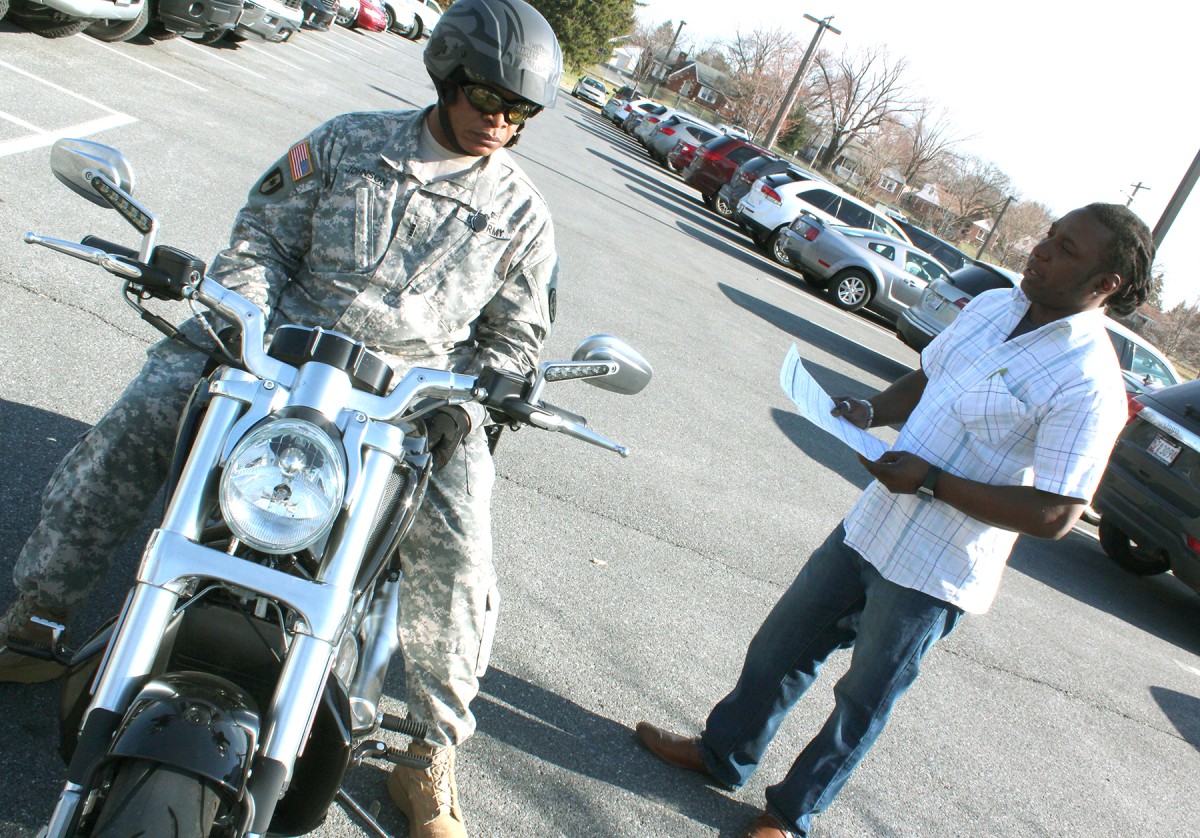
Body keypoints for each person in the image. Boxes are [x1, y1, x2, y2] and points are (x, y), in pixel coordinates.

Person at [0, 1, 562, 835]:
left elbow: (515, 337)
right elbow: (259, 238)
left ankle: (428, 750)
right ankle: (38, 618)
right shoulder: (344, 141)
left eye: (521, 112)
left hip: (412, 393)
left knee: (462, 546)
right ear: (447, 80)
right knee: (139, 422)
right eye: (488, 99)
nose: (502, 123)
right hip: (278, 345)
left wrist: (473, 396)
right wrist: (244, 323)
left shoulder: (523, 214)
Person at [636, 203, 1153, 838]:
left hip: (934, 570)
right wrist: (871, 408)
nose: (1041, 250)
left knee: (860, 703)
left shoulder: (1089, 380)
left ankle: (789, 817)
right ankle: (723, 753)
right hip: (871, 524)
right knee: (780, 648)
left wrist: (933, 482)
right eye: (1049, 235)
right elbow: (929, 377)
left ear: (1106, 285)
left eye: (1066, 249)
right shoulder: (994, 307)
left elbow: (1057, 512)